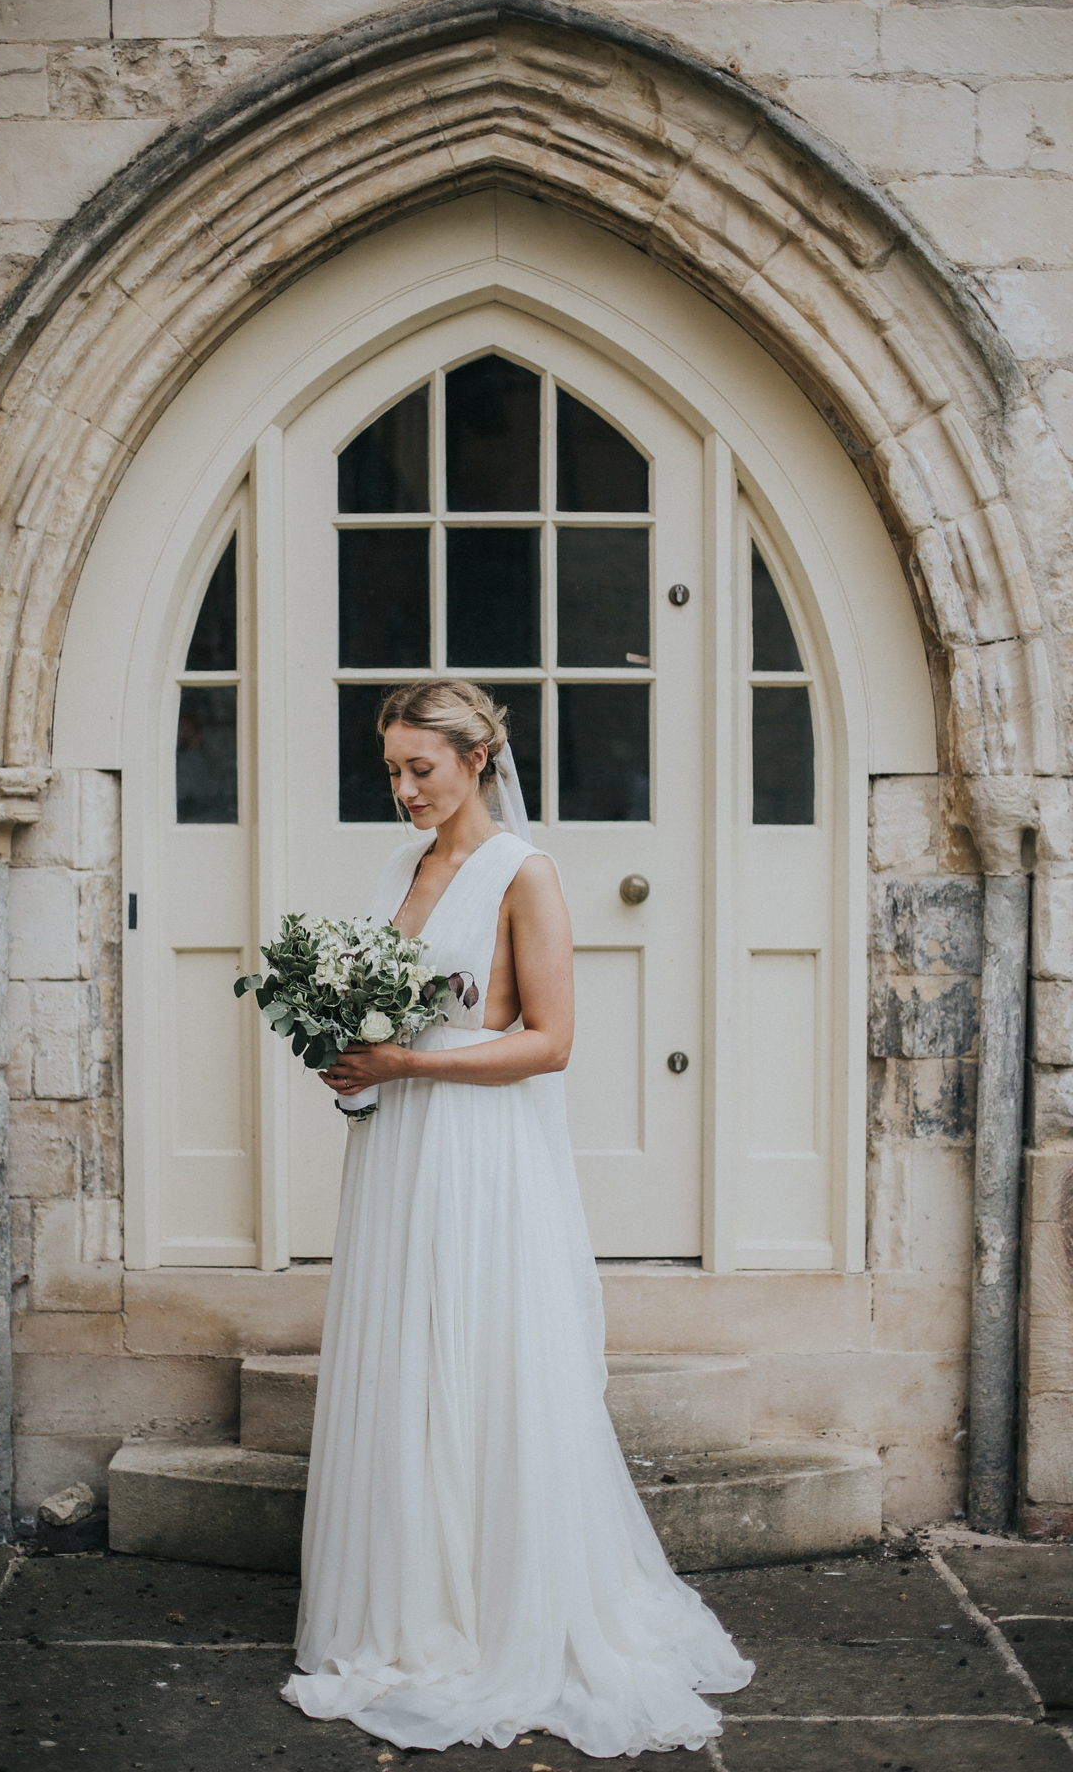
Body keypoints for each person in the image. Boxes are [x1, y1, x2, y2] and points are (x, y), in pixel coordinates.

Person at [280, 679, 754, 1756]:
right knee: (407, 1359)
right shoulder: (403, 865)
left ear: (479, 759)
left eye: (421, 770)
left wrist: (403, 1059)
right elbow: (383, 1002)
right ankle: (408, 1603)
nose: (402, 790)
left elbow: (551, 1041)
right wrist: (353, 1064)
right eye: (392, 768)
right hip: (398, 1143)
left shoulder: (522, 875)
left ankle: (501, 1609)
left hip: (478, 1151)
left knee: (482, 1357)